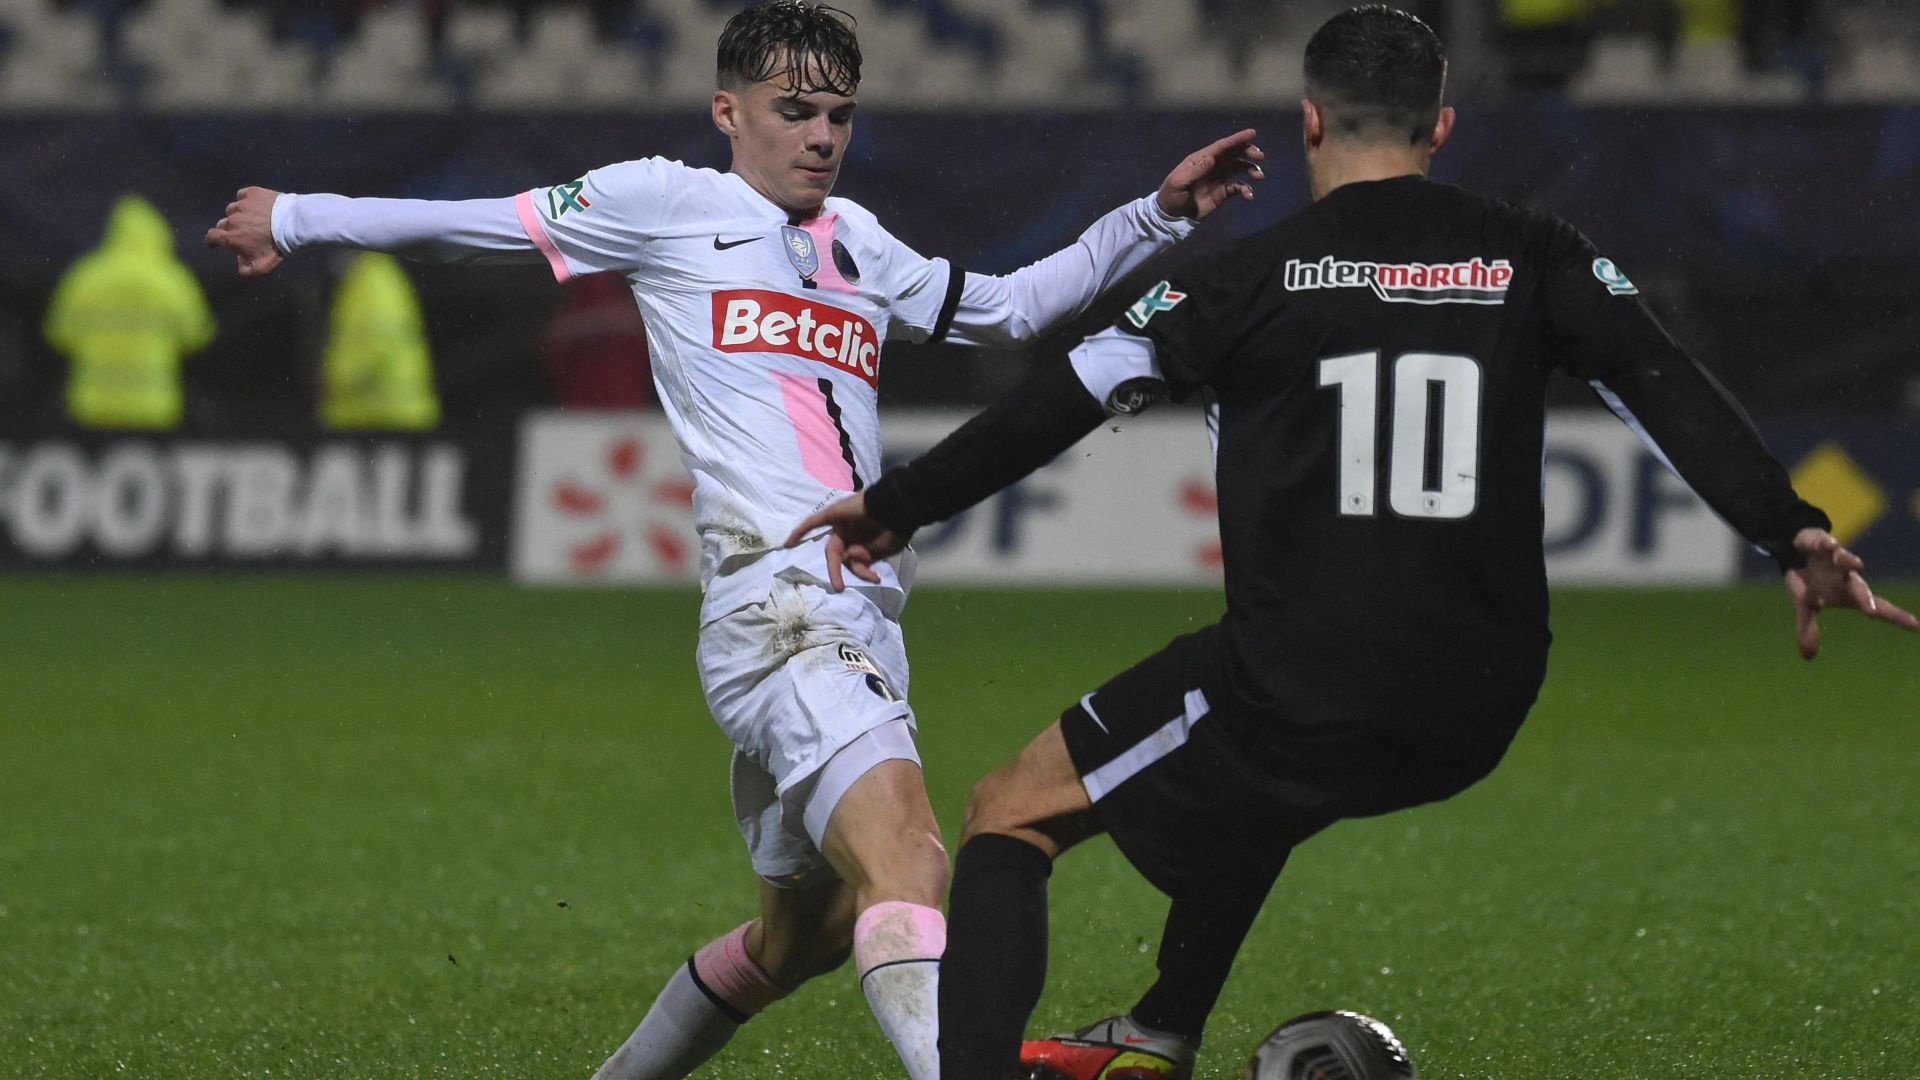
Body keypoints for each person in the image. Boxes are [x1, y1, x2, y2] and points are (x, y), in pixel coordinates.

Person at [785, 7, 1919, 1079]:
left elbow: (1062, 402)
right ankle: (1160, 1031)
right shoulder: (1535, 252)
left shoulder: (1243, 277)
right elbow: (1663, 383)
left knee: (1006, 810)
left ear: (1310, 120)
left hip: (1303, 681)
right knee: (1260, 785)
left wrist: (901, 503)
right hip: (1482, 697)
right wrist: (1791, 526)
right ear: (1441, 126)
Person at [204, 3, 1263, 1077]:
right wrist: (292, 217)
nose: (820, 137)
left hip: (858, 616)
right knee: (910, 859)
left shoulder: (859, 242)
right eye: (793, 111)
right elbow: (482, 220)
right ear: (728, 110)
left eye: (839, 116)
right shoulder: (667, 202)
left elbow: (1013, 306)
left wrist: (1157, 213)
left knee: (795, 941)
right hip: (785, 609)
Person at [46, 193, 216, 430]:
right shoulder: (171, 280)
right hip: (153, 407)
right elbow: (197, 335)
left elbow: (59, 335)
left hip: (92, 407)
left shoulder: (85, 277)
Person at [320, 251, 440, 430]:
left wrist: (337, 383)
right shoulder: (365, 277)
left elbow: (379, 344)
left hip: (386, 415)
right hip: (383, 414)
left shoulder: (373, 282)